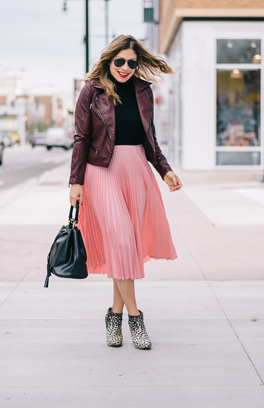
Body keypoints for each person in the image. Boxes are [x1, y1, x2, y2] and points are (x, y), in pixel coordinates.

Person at [69, 35, 182, 350]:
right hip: (101, 171)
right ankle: (136, 318)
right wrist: (75, 181)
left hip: (136, 171)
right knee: (120, 239)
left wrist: (165, 170)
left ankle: (113, 316)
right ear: (109, 60)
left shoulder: (144, 91)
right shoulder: (91, 90)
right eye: (120, 61)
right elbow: (80, 137)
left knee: (126, 246)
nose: (126, 67)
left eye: (132, 62)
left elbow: (150, 138)